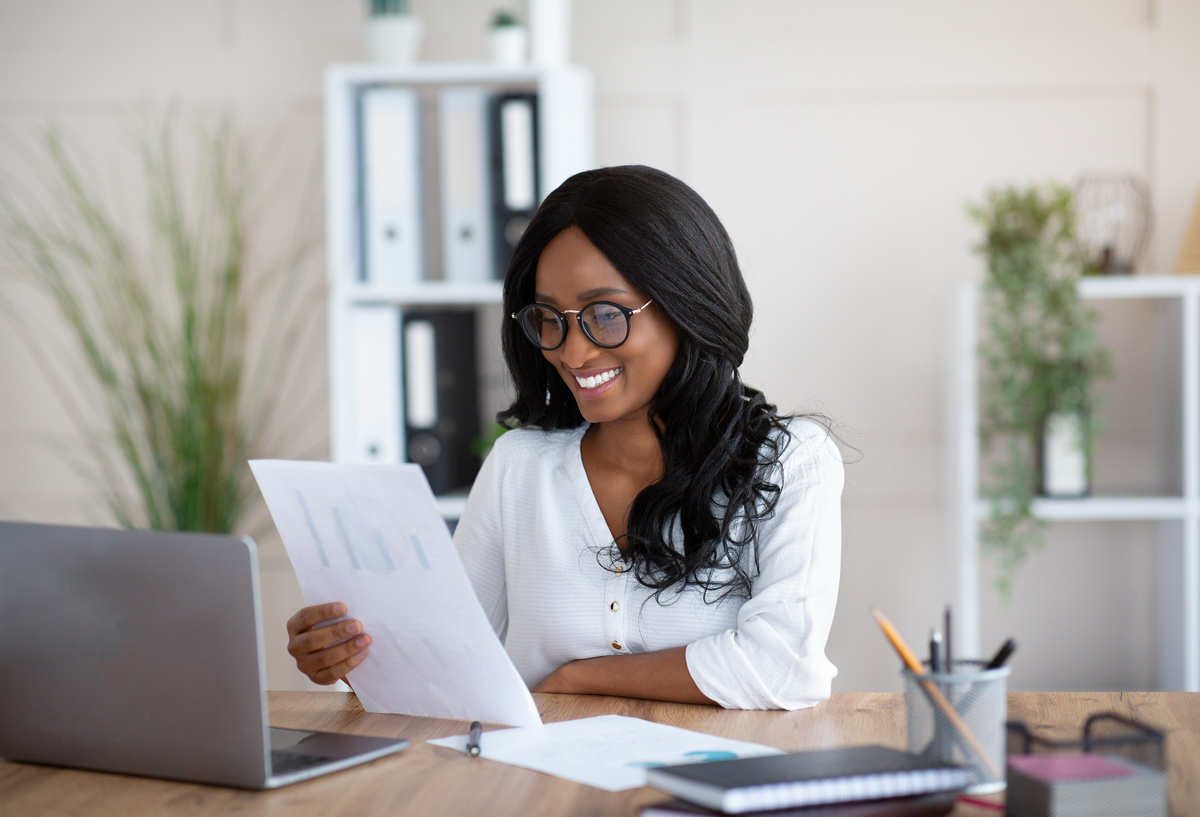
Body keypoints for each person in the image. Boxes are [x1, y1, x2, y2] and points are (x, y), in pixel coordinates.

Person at [287, 165, 843, 710]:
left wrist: (578, 680)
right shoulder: (519, 468)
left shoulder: (789, 463)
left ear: (685, 304)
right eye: (550, 318)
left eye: (605, 315)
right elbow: (448, 665)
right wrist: (349, 659)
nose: (572, 353)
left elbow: (784, 666)